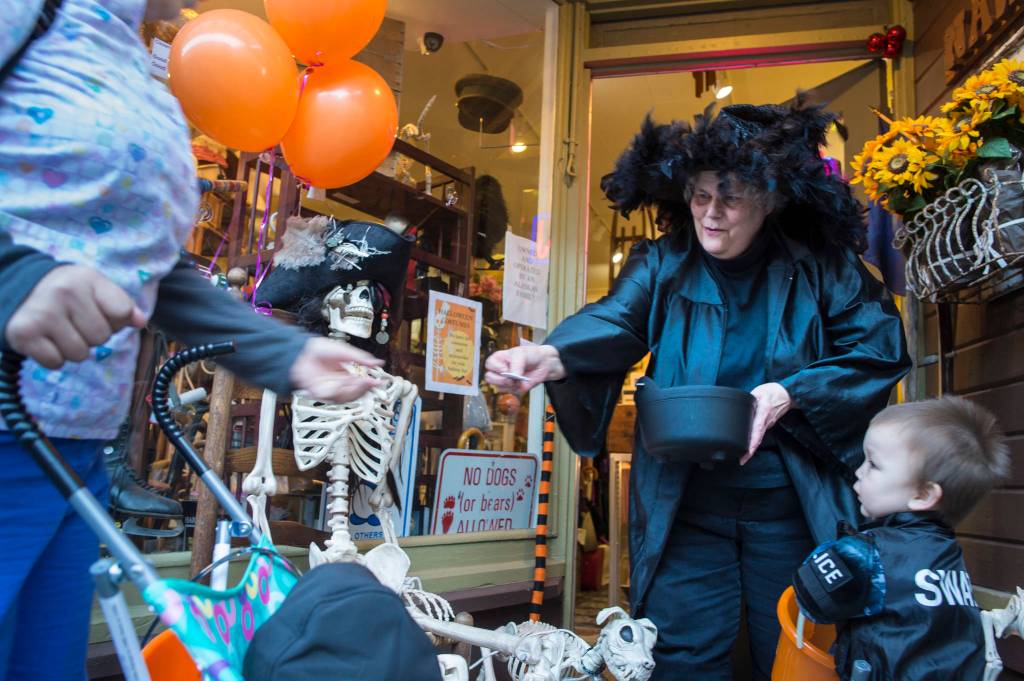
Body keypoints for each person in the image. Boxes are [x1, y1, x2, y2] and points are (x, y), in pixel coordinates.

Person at [0, 2, 380, 680]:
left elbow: (154, 267)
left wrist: (286, 353)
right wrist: (16, 276)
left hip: (72, 455)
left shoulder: (131, 51)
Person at [485, 102, 912, 679]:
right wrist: (552, 355)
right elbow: (618, 320)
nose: (710, 214)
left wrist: (787, 394)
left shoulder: (823, 267)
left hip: (790, 504)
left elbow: (878, 349)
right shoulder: (664, 261)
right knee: (682, 655)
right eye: (700, 194)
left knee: (794, 650)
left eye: (731, 198)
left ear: (771, 198)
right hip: (687, 503)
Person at [792, 396, 1009, 680]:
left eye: (873, 464)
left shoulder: (867, 554)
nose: (858, 471)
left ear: (922, 495)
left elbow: (811, 601)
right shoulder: (948, 553)